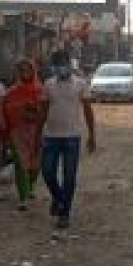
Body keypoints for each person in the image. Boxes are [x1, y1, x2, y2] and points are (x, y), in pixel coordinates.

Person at [36, 49, 97, 229]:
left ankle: (64, 213)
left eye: (63, 63)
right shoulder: (48, 85)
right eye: (57, 65)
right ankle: (58, 197)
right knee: (47, 172)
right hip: (51, 137)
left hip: (72, 137)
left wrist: (92, 135)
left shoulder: (80, 84)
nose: (61, 68)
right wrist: (37, 134)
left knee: (69, 177)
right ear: (53, 67)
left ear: (69, 64)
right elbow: (43, 111)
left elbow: (88, 110)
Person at [0, 58, 42, 211]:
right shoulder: (11, 92)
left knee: (35, 164)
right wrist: (19, 108)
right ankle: (22, 197)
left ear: (33, 71)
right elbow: (4, 110)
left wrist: (33, 109)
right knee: (21, 165)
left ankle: (30, 187)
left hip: (37, 131)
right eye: (22, 70)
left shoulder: (40, 90)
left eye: (28, 70)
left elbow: (46, 110)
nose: (25, 73)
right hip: (17, 131)